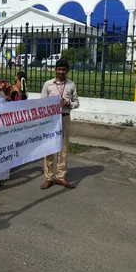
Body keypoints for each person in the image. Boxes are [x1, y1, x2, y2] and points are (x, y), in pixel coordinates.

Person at [40, 58, 79, 190]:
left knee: (63, 148)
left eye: (64, 70)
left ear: (67, 71)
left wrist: (68, 103)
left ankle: (61, 177)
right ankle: (49, 177)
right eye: (59, 69)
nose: (61, 72)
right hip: (51, 119)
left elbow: (77, 102)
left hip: (65, 118)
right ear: (55, 70)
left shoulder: (71, 85)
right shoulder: (48, 85)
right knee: (49, 148)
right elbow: (42, 103)